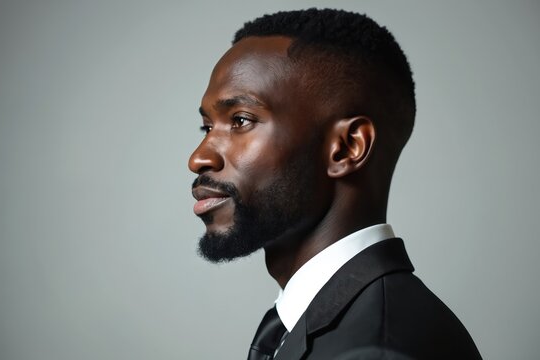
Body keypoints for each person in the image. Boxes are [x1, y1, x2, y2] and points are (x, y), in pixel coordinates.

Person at [188, 8, 481, 360]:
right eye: (207, 127)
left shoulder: (376, 351)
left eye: (241, 120)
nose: (199, 158)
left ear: (346, 148)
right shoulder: (324, 322)